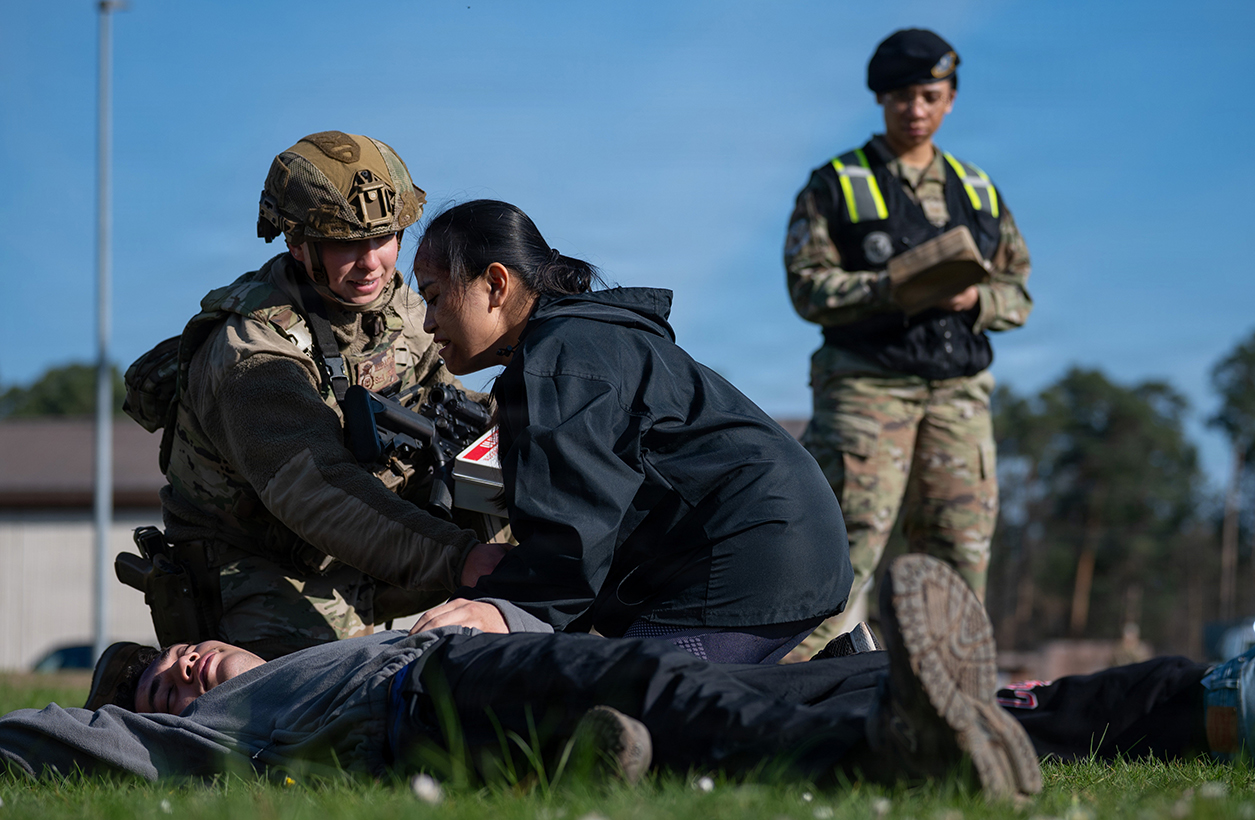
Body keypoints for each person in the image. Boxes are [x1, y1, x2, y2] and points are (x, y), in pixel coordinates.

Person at [0, 556, 1042, 801]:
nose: (173, 668)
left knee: (784, 686)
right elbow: (51, 737)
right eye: (150, 688)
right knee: (663, 688)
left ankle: (994, 716)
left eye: (170, 650)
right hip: (437, 689)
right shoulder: (219, 731)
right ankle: (890, 747)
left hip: (479, 659)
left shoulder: (314, 644)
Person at [405, 200, 854, 664]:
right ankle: (851, 685)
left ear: (495, 284)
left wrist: (503, 606)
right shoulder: (582, 341)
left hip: (750, 555)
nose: (427, 321)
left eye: (434, 295)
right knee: (687, 706)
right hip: (783, 542)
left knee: (631, 704)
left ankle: (867, 694)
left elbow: (574, 524)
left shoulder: (560, 358)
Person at [134, 132, 505, 659]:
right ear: (296, 242)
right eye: (344, 242)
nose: (371, 262)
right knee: (310, 712)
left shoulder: (398, 300)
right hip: (260, 563)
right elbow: (314, 487)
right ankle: (133, 684)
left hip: (366, 543)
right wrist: (461, 559)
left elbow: (445, 398)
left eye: (384, 237)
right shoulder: (251, 349)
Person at [784, 28, 1034, 654]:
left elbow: (1019, 294)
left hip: (959, 400)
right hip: (868, 391)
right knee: (840, 549)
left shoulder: (978, 190)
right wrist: (892, 287)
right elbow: (807, 287)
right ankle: (779, 700)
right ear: (881, 100)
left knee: (958, 555)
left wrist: (973, 298)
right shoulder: (835, 182)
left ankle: (949, 712)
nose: (915, 110)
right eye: (901, 97)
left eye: (929, 95)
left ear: (950, 99)